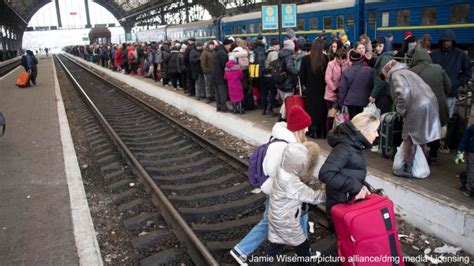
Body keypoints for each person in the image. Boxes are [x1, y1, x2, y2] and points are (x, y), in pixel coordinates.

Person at [230, 105, 313, 265]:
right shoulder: (281, 146)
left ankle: (304, 254)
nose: (308, 129)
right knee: (270, 222)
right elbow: (274, 171)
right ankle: (241, 250)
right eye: (306, 126)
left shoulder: (288, 143)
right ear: (299, 128)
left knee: (295, 217)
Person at [319, 112, 380, 231]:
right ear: (363, 131)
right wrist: (356, 187)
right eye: (374, 131)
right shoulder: (345, 148)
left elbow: (350, 171)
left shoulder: (355, 145)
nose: (377, 134)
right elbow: (325, 173)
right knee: (343, 240)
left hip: (345, 201)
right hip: (340, 203)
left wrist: (362, 186)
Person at [382, 60, 441, 178]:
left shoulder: (396, 75)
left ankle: (407, 168)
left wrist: (400, 110)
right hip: (430, 103)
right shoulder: (408, 72)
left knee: (410, 136)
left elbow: (403, 94)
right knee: (421, 136)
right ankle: (420, 165)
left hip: (417, 106)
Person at [267, 141, 326, 260]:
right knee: (302, 246)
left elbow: (303, 180)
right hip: (286, 221)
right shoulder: (291, 182)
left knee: (277, 245)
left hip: (279, 216)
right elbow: (314, 197)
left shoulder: (284, 169)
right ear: (299, 164)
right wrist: (329, 192)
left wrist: (315, 182)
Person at [409, 48, 451, 165]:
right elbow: (449, 86)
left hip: (420, 107)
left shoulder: (412, 72)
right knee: (435, 130)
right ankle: (433, 156)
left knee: (420, 131)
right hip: (438, 105)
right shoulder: (438, 68)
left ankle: (419, 157)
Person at [431, 30, 472, 118]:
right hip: (435, 92)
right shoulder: (433, 54)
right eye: (444, 41)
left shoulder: (461, 55)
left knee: (447, 117)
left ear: (452, 41)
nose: (446, 43)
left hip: (451, 92)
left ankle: (445, 131)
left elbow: (467, 71)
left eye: (448, 41)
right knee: (433, 116)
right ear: (441, 41)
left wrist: (457, 82)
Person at [300, 39, 329, 138]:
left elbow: (302, 76)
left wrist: (305, 84)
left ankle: (313, 130)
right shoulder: (326, 58)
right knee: (321, 109)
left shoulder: (306, 59)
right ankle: (321, 131)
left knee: (311, 109)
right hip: (322, 89)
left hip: (310, 89)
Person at [337, 51, 373, 119]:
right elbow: (372, 85)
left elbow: (342, 89)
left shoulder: (346, 72)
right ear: (362, 59)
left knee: (353, 123)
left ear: (351, 60)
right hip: (365, 102)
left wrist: (341, 103)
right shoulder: (369, 70)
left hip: (351, 102)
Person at [325, 48, 351, 131]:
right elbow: (327, 78)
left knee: (342, 116)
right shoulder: (331, 64)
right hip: (331, 94)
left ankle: (339, 133)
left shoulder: (349, 64)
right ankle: (329, 133)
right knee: (331, 115)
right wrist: (334, 88)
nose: (340, 61)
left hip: (343, 94)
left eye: (342, 59)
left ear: (346, 58)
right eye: (338, 58)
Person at [277, 40, 299, 118]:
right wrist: (298, 72)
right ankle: (281, 118)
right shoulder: (289, 56)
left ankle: (284, 118)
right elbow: (290, 67)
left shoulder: (280, 54)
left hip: (281, 81)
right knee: (287, 102)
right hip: (288, 82)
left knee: (285, 102)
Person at [212, 39, 233, 112]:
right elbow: (225, 65)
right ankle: (224, 108)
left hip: (215, 75)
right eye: (230, 45)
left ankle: (219, 107)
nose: (230, 47)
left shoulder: (218, 51)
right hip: (220, 75)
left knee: (217, 93)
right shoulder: (222, 53)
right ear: (227, 45)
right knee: (222, 92)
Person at [261, 38, 280, 116]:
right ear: (275, 45)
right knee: (273, 92)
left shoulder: (266, 51)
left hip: (264, 75)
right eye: (278, 45)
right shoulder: (274, 53)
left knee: (264, 93)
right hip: (270, 76)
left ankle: (264, 109)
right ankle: (269, 110)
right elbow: (274, 65)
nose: (279, 47)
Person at [455, 124, 474, 197]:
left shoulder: (471, 128)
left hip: (471, 152)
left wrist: (460, 152)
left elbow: (464, 140)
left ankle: (469, 189)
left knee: (471, 170)